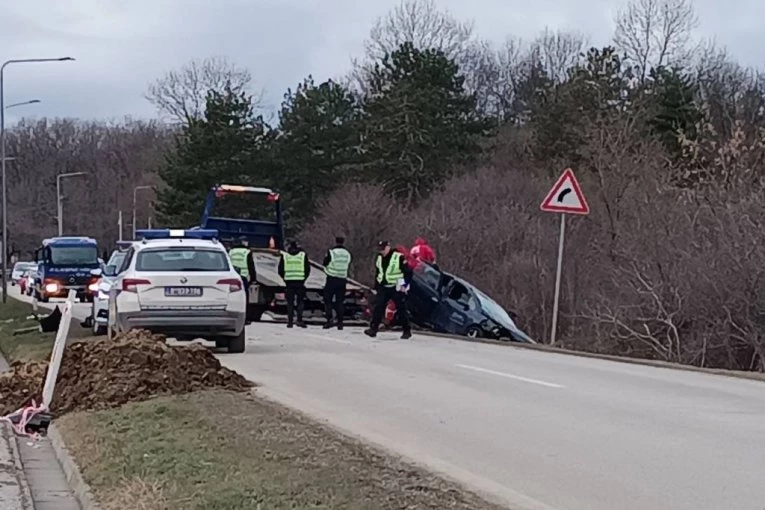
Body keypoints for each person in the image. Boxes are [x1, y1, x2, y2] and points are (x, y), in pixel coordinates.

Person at [365, 240, 412, 339]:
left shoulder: (398, 257)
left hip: (396, 287)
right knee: (378, 307)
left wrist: (404, 285)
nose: (382, 252)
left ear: (388, 247)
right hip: (383, 287)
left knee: (401, 309)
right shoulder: (379, 258)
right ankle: (373, 329)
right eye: (380, 250)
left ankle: (406, 331)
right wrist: (376, 287)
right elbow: (378, 273)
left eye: (383, 249)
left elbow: (408, 272)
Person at [277, 240, 311, 328]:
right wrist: (303, 278)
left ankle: (290, 322)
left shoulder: (285, 256)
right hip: (300, 282)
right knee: (300, 302)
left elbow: (280, 270)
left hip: (289, 283)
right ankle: (299, 320)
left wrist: (285, 279)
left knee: (290, 303)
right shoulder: (302, 255)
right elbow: (307, 269)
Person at [322, 236, 352, 330]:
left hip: (332, 278)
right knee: (340, 302)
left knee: (328, 301)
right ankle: (340, 323)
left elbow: (325, 262)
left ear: (335, 242)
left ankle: (329, 321)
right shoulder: (347, 254)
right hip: (342, 279)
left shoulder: (332, 252)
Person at [228, 236, 256, 320]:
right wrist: (253, 278)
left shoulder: (231, 251)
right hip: (243, 277)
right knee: (244, 297)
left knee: (232, 296)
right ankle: (245, 317)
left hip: (232, 277)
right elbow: (251, 266)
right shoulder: (247, 252)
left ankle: (232, 314)